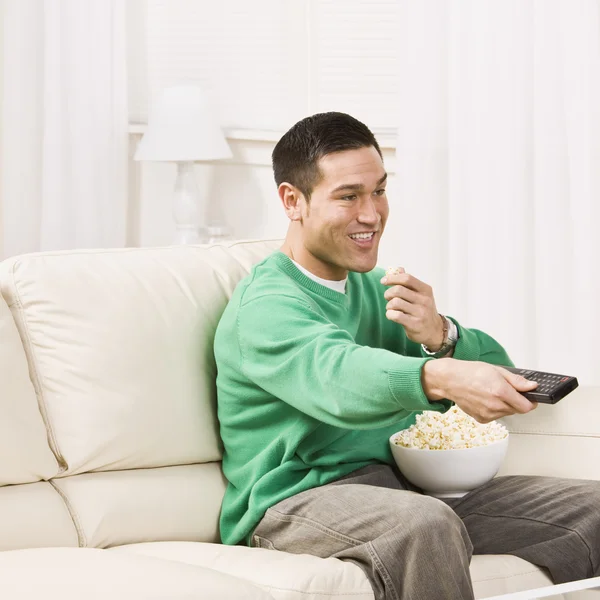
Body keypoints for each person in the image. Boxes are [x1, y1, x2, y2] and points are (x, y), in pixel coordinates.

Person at [214, 112, 599, 600]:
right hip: (296, 503)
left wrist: (441, 334)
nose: (372, 214)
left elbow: (497, 366)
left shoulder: (378, 289)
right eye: (349, 196)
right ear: (293, 201)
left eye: (379, 190)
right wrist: (439, 377)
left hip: (403, 486)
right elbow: (338, 375)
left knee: (592, 508)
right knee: (424, 524)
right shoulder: (266, 307)